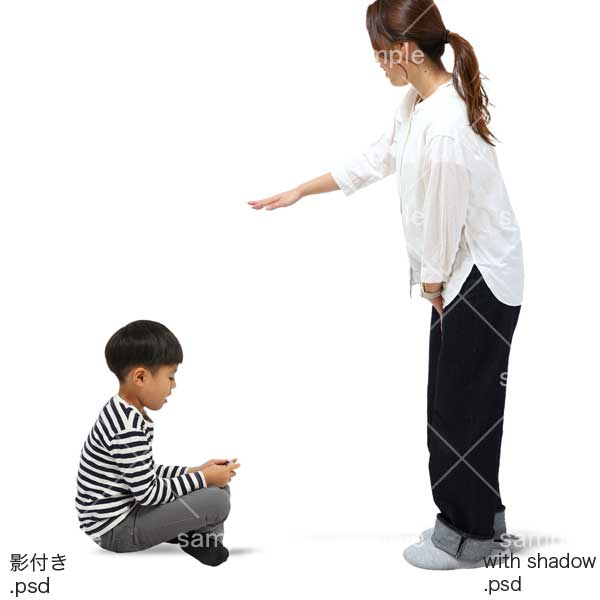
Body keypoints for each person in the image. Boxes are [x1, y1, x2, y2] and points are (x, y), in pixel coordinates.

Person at [248, 0, 524, 570]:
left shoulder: (445, 124)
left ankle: (465, 537)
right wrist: (302, 190)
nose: (377, 64)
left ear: (407, 51)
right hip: (465, 275)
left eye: (381, 54)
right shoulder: (419, 104)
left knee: (457, 411)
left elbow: (444, 219)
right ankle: (484, 519)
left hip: (477, 278)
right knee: (463, 402)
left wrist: (432, 287)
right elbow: (377, 158)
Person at [74, 319, 240, 566]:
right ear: (141, 377)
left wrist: (196, 471)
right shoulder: (127, 428)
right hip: (115, 530)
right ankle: (200, 540)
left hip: (127, 511)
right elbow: (149, 493)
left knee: (219, 487)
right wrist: (204, 478)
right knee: (217, 500)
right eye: (170, 377)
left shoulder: (124, 411)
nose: (174, 385)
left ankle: (193, 535)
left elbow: (145, 473)